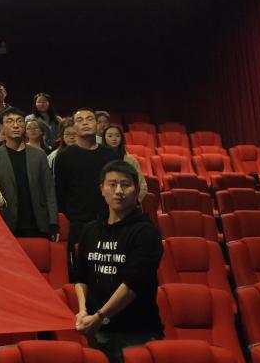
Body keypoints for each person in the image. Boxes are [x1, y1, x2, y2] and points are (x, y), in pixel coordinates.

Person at [74, 160, 163, 362]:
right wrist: (83, 311)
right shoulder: (90, 230)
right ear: (102, 189)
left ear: (136, 190)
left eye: (125, 185)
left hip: (136, 333)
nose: (119, 191)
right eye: (112, 184)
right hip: (96, 330)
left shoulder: (145, 232)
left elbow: (132, 286)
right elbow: (80, 277)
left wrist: (100, 317)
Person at [56, 108, 120, 273]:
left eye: (89, 119)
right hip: (78, 224)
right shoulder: (64, 156)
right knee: (80, 273)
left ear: (97, 124)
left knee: (110, 271)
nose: (85, 123)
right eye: (80, 120)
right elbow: (60, 191)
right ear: (74, 127)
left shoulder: (110, 155)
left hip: (109, 222)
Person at [0, 108, 58, 239]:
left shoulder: (39, 155)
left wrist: (53, 223)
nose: (16, 125)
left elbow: (49, 190)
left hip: (38, 224)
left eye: (19, 121)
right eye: (9, 121)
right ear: (2, 127)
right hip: (6, 224)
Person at [102, 125, 148, 202]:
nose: (114, 139)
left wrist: (134, 202)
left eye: (117, 136)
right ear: (104, 138)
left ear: (122, 138)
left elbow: (142, 185)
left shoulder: (131, 160)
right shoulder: (99, 159)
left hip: (128, 203)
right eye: (110, 136)